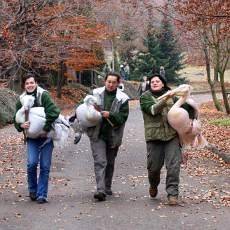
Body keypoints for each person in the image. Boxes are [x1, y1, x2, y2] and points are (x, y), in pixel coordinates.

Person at [14, 73, 60, 204]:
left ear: (36, 83)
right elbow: (16, 119)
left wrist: (45, 128)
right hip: (32, 138)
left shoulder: (43, 95)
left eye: (32, 82)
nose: (30, 85)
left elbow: (54, 111)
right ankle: (33, 190)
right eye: (27, 83)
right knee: (32, 163)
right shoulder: (21, 99)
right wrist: (21, 125)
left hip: (46, 136)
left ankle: (42, 195)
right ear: (24, 85)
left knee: (45, 166)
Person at [85, 72, 129, 201]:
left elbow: (123, 117)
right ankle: (100, 190)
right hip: (97, 134)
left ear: (118, 83)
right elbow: (84, 108)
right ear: (104, 81)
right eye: (108, 81)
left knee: (110, 162)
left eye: (113, 82)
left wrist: (110, 115)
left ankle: (107, 186)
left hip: (113, 135)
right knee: (100, 161)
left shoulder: (123, 98)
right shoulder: (95, 94)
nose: (110, 84)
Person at [139, 73, 182, 205]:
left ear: (163, 83)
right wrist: (166, 98)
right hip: (154, 137)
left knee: (173, 166)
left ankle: (172, 194)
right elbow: (153, 110)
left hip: (172, 135)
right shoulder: (145, 97)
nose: (155, 83)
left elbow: (183, 110)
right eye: (152, 82)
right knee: (154, 169)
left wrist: (190, 109)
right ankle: (153, 185)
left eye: (157, 81)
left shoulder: (173, 96)